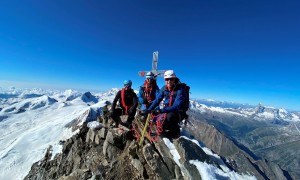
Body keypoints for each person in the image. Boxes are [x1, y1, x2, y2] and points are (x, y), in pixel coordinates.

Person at [141, 70, 186, 138]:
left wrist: (161, 110)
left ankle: (176, 132)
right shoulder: (164, 88)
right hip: (167, 110)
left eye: (171, 79)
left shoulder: (180, 89)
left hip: (178, 112)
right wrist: (149, 110)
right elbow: (157, 100)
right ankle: (167, 127)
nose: (169, 81)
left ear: (174, 79)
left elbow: (177, 106)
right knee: (160, 123)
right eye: (167, 79)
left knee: (170, 117)